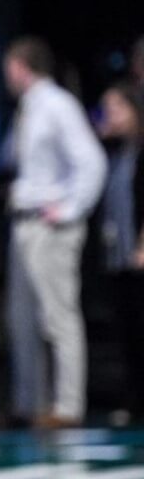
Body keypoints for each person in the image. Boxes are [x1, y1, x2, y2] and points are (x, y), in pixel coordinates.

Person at [3, 37, 107, 429]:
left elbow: (91, 162)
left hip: (51, 227)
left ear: (21, 66)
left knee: (59, 317)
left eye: (9, 66)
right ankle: (28, 403)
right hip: (24, 222)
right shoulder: (27, 108)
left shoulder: (58, 105)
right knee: (22, 319)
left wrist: (68, 210)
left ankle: (68, 406)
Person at [96, 82, 144, 425]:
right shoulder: (113, 153)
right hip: (118, 255)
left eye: (116, 109)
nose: (109, 117)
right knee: (126, 332)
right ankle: (134, 401)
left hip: (139, 253)